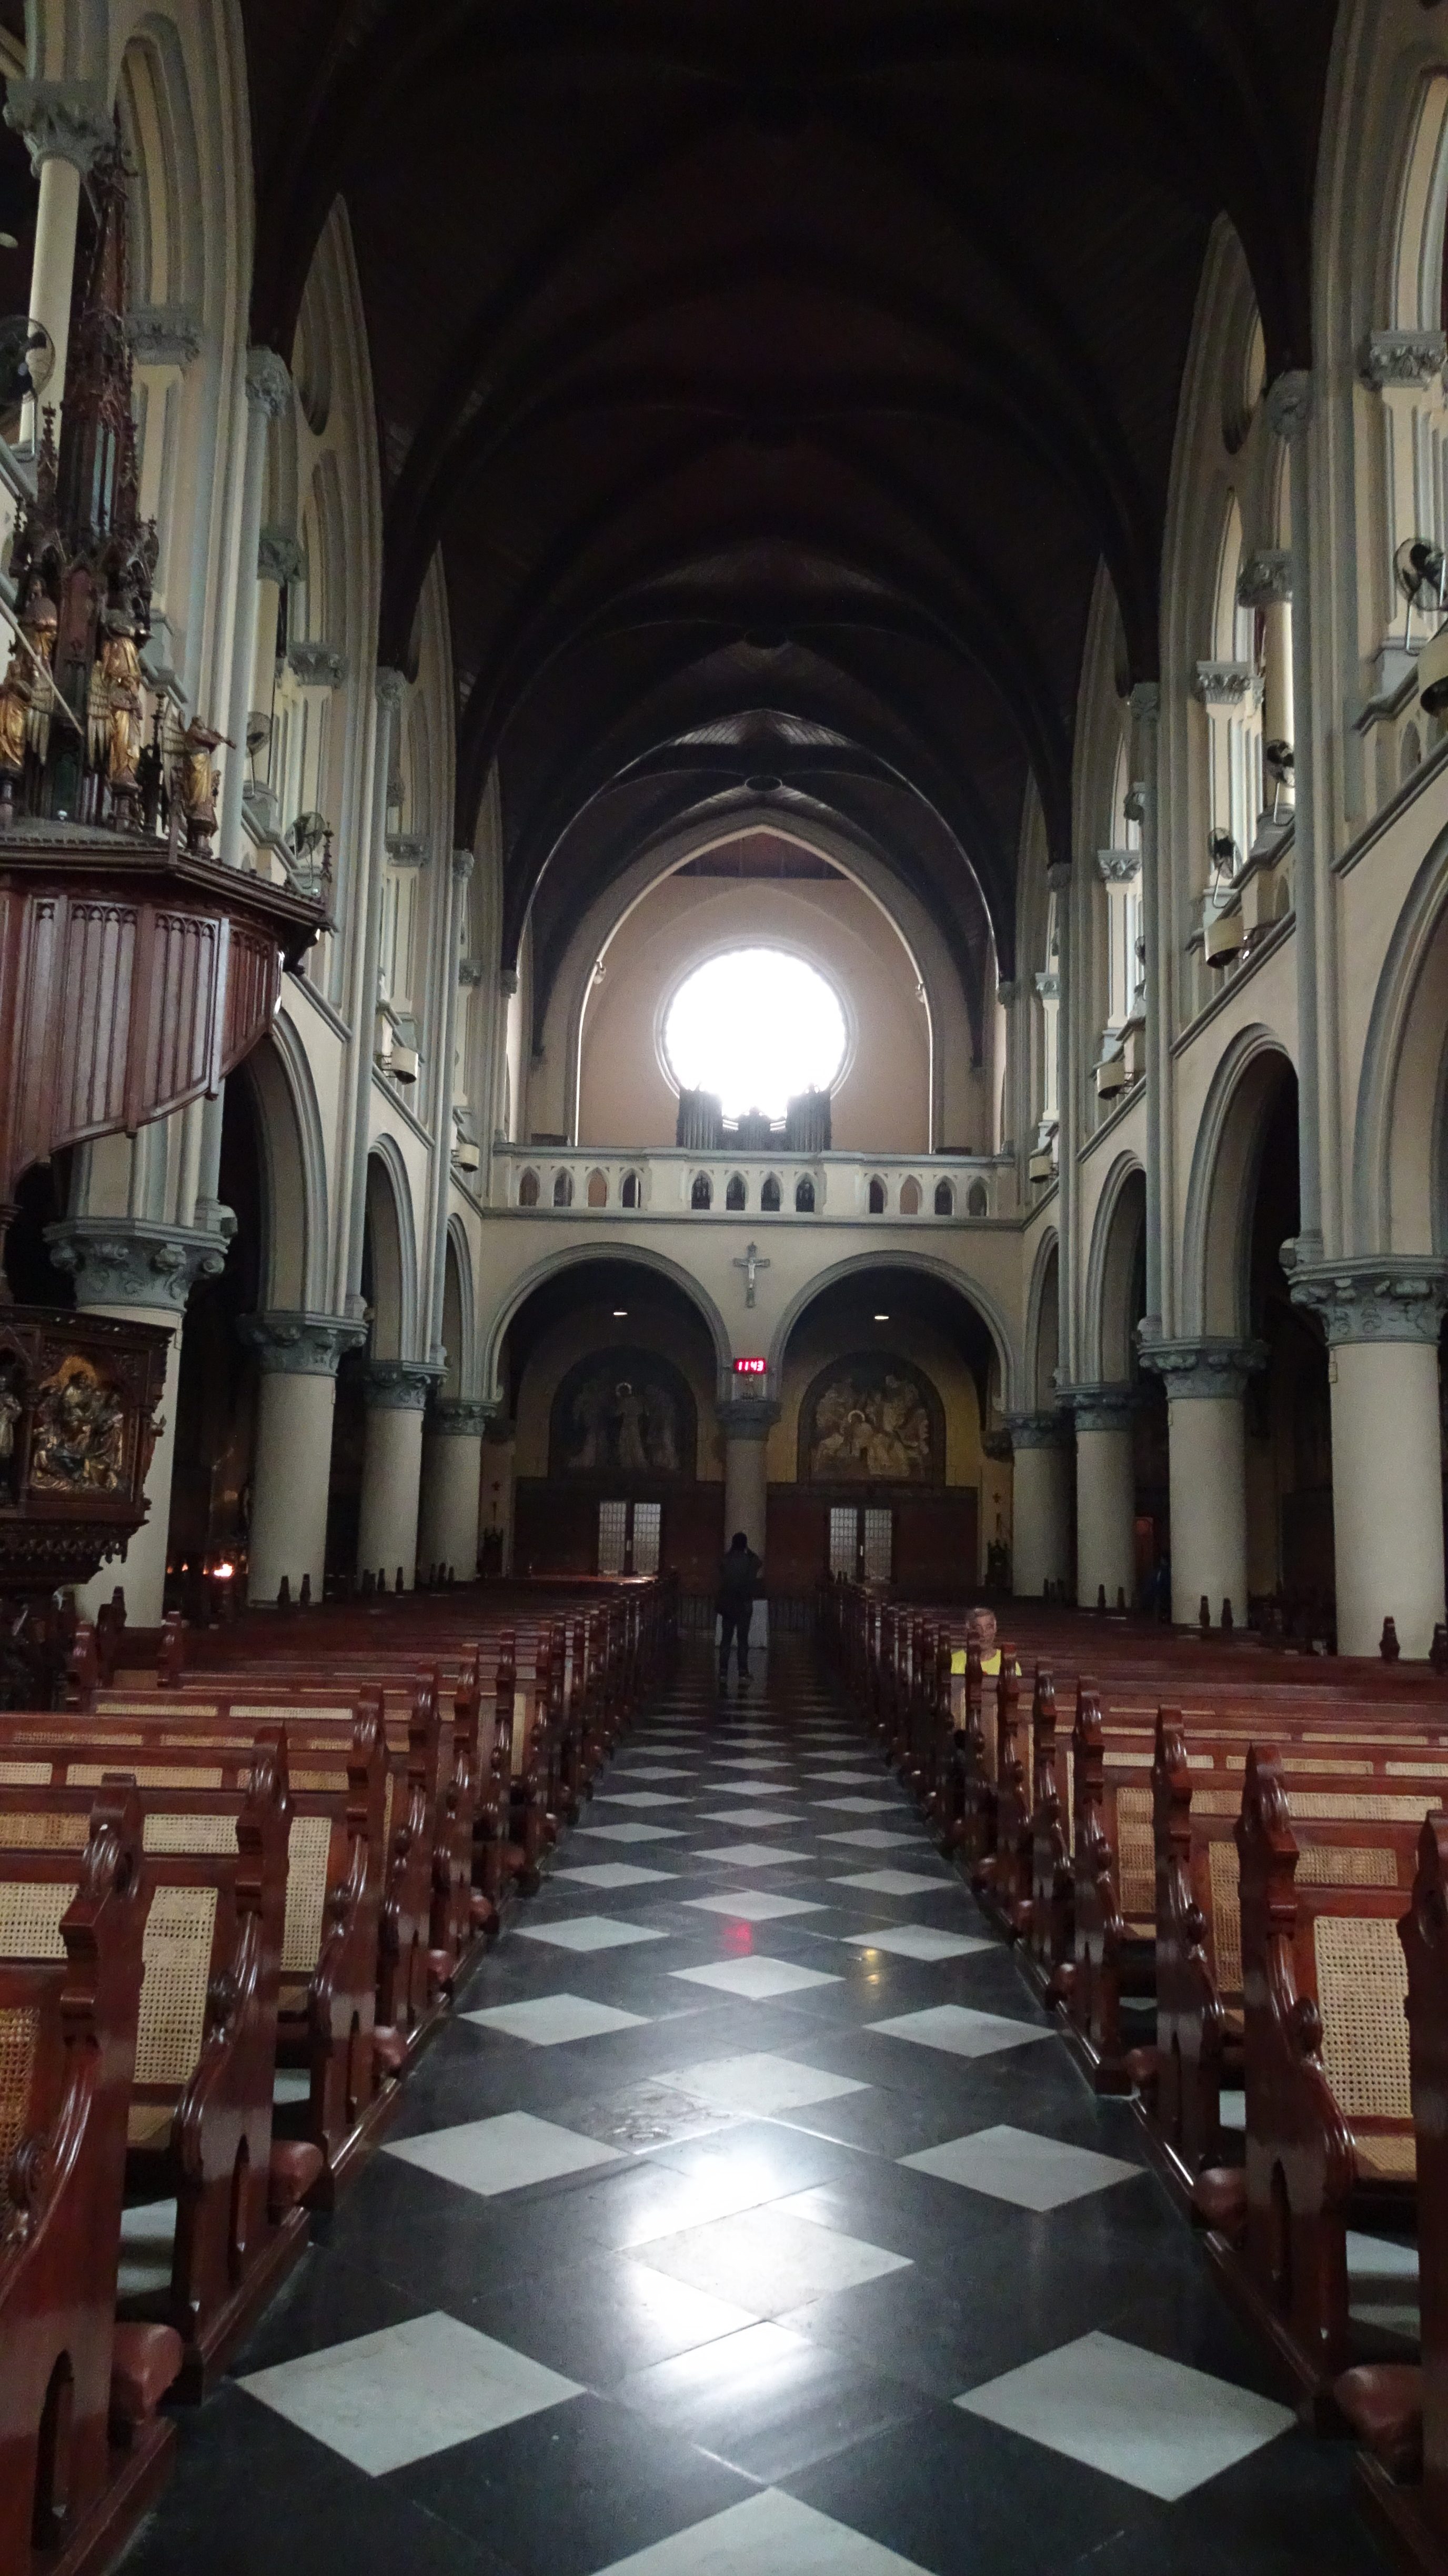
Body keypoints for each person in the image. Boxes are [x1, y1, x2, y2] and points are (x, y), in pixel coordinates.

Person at [717, 1528, 762, 1683]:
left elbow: (721, 1572)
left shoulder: (726, 1560)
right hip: (744, 1605)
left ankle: (723, 1672)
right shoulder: (750, 1561)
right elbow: (759, 1562)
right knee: (743, 1640)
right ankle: (743, 1672)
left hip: (728, 1605)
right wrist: (749, 1551)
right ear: (745, 1544)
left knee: (726, 1639)